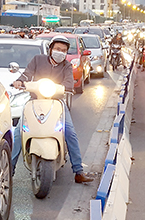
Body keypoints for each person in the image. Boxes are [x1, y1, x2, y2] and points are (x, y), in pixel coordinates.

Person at [11, 35, 93, 183]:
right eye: (57, 49)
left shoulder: (67, 66)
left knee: (70, 131)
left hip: (56, 103)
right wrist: (20, 81)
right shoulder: (38, 60)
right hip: (35, 100)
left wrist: (68, 87)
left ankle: (78, 171)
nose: (59, 52)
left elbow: (69, 82)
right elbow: (27, 74)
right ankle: (9, 169)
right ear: (50, 49)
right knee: (19, 132)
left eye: (63, 50)